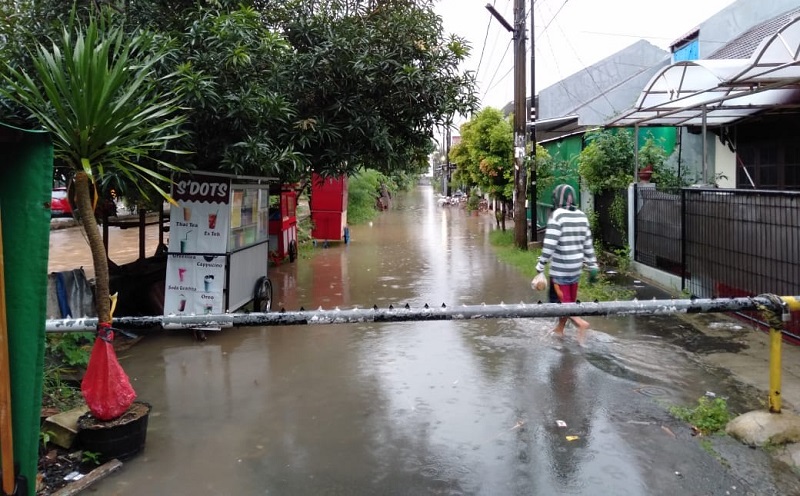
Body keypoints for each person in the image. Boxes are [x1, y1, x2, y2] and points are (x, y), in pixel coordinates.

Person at [535, 184, 599, 344]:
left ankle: (581, 324)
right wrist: (593, 265)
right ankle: (560, 329)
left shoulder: (557, 216)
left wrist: (540, 265)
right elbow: (588, 245)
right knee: (568, 302)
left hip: (560, 272)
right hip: (575, 271)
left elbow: (550, 244)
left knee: (561, 304)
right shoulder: (582, 216)